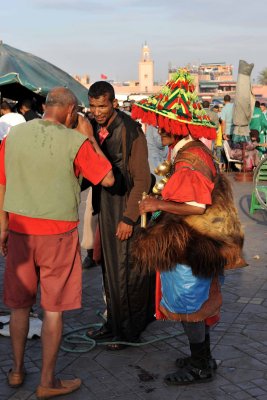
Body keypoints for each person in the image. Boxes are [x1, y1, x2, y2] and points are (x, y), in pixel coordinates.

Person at [131, 68, 245, 386]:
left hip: (193, 244)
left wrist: (157, 205)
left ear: (175, 127)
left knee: (190, 303)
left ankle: (200, 365)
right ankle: (202, 356)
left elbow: (195, 206)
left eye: (163, 126)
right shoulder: (189, 150)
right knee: (196, 301)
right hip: (200, 239)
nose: (158, 129)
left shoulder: (190, 160)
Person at [0, 87, 114, 399]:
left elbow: (2, 183)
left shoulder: (14, 137)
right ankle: (47, 381)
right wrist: (88, 134)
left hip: (21, 230)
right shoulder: (75, 141)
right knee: (52, 309)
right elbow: (107, 179)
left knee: (19, 305)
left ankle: (17, 370)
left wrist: (3, 228)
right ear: (69, 111)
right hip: (58, 234)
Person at [86, 81, 155, 350]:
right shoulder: (94, 127)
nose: (97, 111)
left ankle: (129, 332)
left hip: (126, 208)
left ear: (113, 103)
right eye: (92, 106)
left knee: (127, 272)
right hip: (106, 205)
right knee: (110, 270)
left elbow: (141, 180)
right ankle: (113, 323)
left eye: (101, 106)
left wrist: (128, 218)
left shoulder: (130, 130)